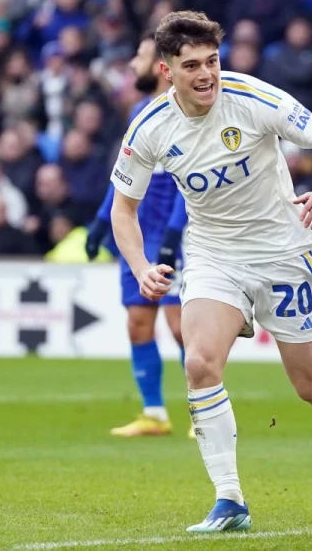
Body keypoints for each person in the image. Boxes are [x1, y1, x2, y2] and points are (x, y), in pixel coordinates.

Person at [108, 11, 312, 534]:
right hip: (213, 257)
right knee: (201, 362)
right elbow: (124, 208)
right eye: (192, 65)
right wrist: (140, 267)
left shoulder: (253, 97)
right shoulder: (149, 128)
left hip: (283, 252)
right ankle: (230, 502)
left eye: (212, 60)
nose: (207, 74)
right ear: (166, 70)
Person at [86, 33, 192, 439]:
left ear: (161, 66)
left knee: (182, 325)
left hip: (172, 234)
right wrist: (100, 221)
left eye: (141, 56)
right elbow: (124, 180)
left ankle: (203, 412)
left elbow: (187, 183)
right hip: (135, 235)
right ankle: (154, 413)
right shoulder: (139, 112)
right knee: (137, 324)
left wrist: (173, 233)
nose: (132, 64)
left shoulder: (186, 116)